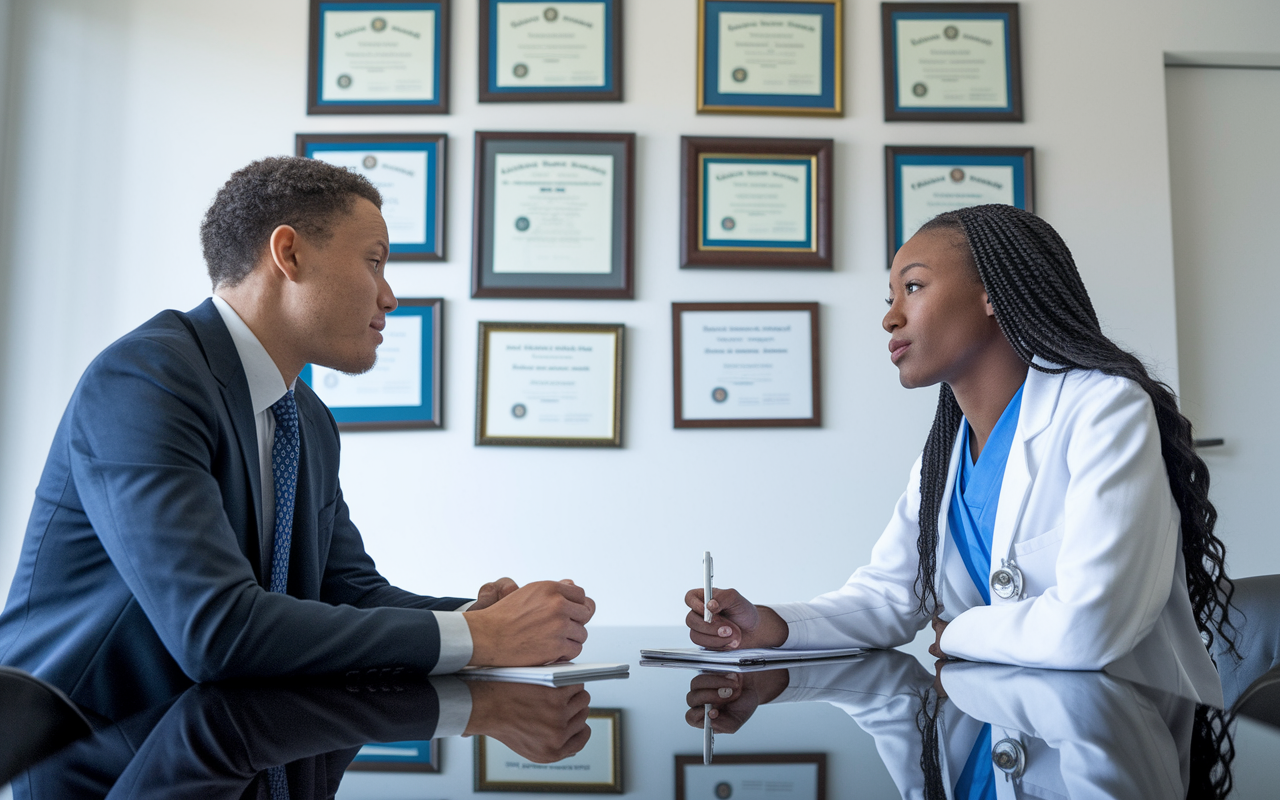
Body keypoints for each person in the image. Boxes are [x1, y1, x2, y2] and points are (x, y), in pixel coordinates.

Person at [0, 157, 595, 721]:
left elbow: (351, 593)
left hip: (228, 741)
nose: (389, 296)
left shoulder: (304, 416)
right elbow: (216, 632)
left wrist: (479, 616)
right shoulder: (145, 380)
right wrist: (479, 639)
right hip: (94, 754)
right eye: (375, 261)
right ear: (288, 253)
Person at [684, 204, 1234, 705]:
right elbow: (892, 597)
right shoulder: (945, 453)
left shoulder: (1104, 409)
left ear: (993, 293)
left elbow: (1091, 627)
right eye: (890, 299)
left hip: (1118, 732)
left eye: (914, 287)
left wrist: (961, 629)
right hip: (998, 721)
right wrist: (769, 626)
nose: (890, 318)